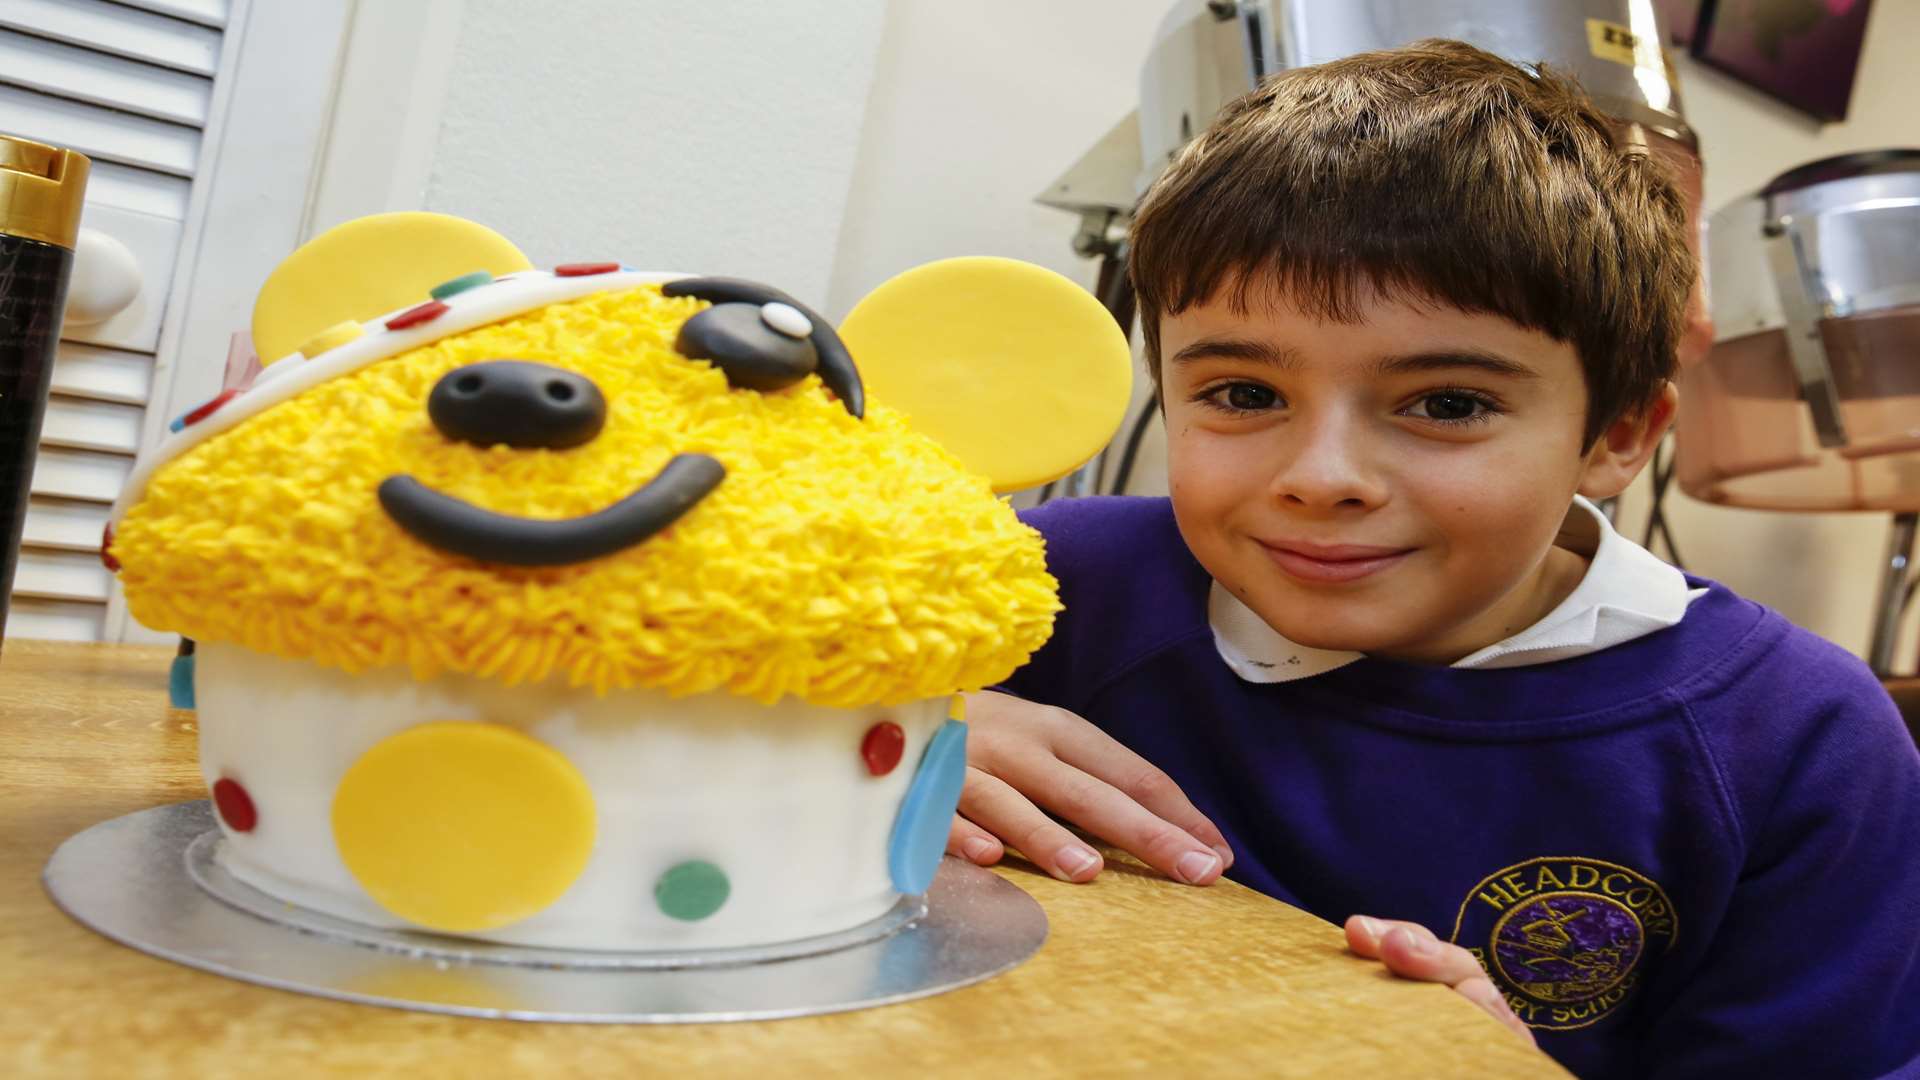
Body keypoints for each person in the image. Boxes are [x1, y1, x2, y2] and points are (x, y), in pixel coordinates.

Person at [947, 40, 1920, 1079]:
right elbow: (766, 689)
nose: (1321, 477)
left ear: (1620, 434)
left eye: (1447, 404)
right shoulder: (1049, 587)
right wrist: (898, 733)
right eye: (1242, 393)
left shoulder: (1802, 743)